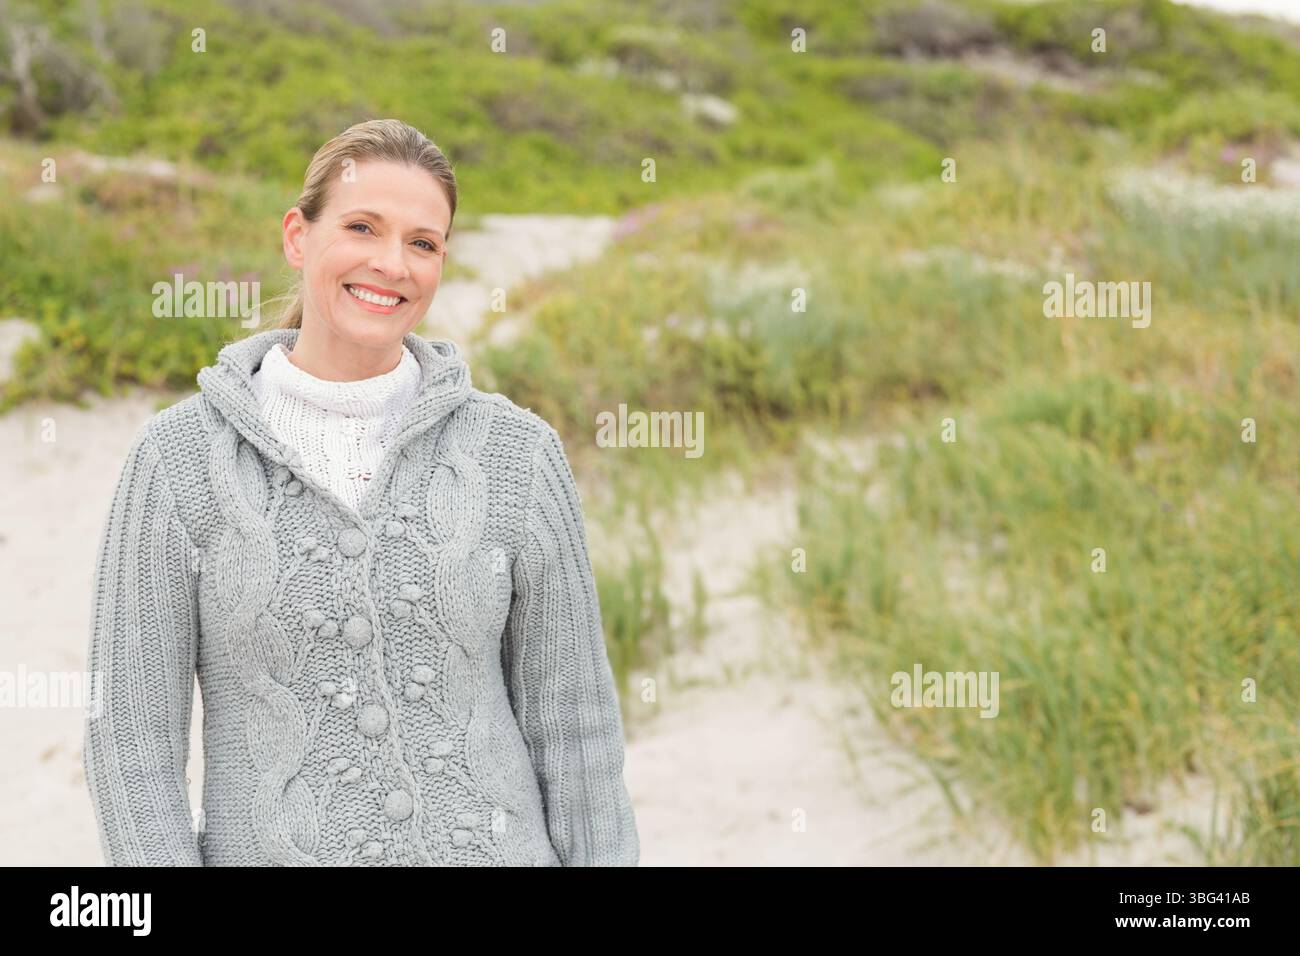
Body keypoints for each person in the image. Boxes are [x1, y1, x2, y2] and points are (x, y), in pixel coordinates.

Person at [82, 118, 639, 866]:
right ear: (297, 236)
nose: (391, 264)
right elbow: (131, 747)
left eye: (422, 242)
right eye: (362, 227)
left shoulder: (518, 453)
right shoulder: (177, 462)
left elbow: (576, 730)